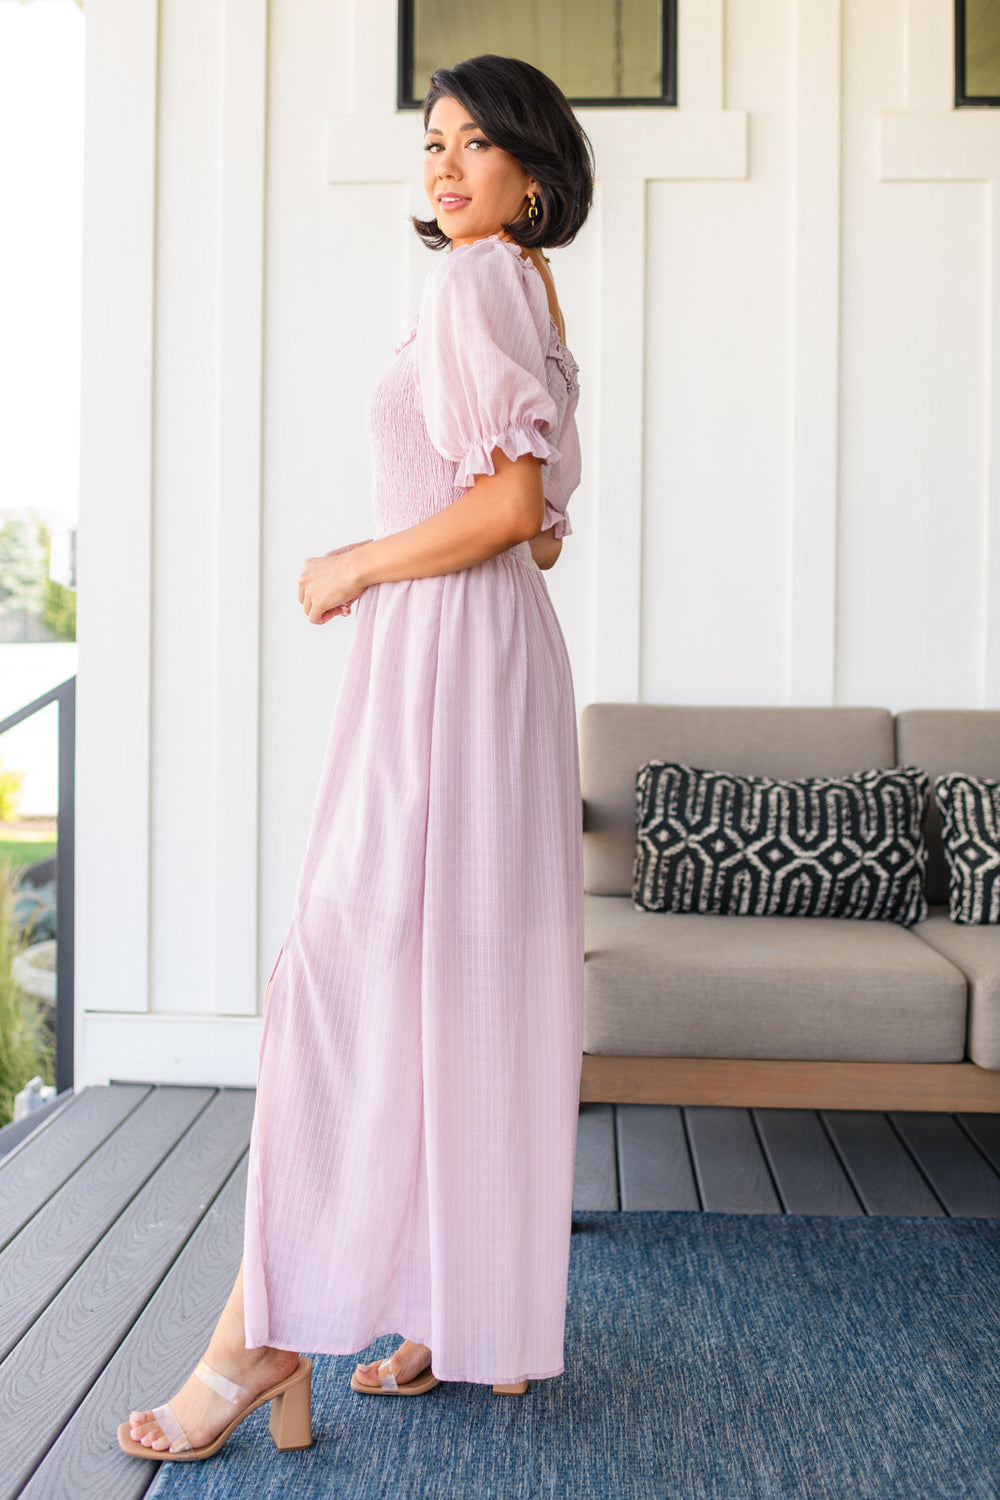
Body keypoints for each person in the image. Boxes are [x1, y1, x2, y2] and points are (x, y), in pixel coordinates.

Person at [118, 52, 594, 1462]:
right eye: (432, 142)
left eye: (475, 142)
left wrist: (354, 566)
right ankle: (463, 1313)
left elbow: (508, 509)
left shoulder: (477, 281)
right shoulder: (530, 293)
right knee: (461, 975)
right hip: (491, 662)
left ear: (531, 174)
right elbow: (543, 533)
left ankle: (257, 1339)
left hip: (447, 661)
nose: (444, 165)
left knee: (347, 969)